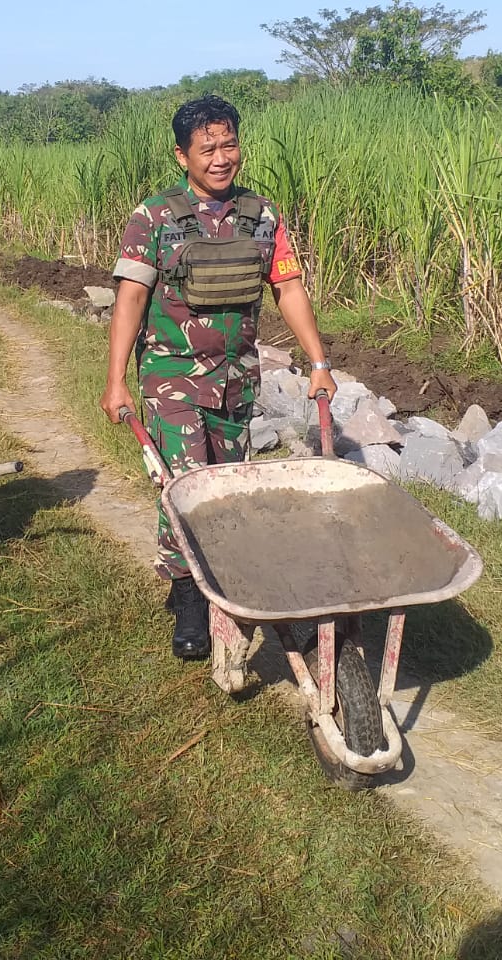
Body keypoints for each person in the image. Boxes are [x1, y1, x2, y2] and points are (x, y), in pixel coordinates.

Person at [100, 95, 337, 660]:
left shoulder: (262, 216)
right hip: (171, 378)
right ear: (182, 155)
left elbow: (288, 288)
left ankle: (225, 585)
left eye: (229, 144)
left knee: (227, 486)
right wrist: (116, 380)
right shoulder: (154, 217)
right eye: (207, 149)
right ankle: (188, 594)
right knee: (183, 486)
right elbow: (130, 297)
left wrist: (319, 363)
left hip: (236, 380)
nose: (221, 157)